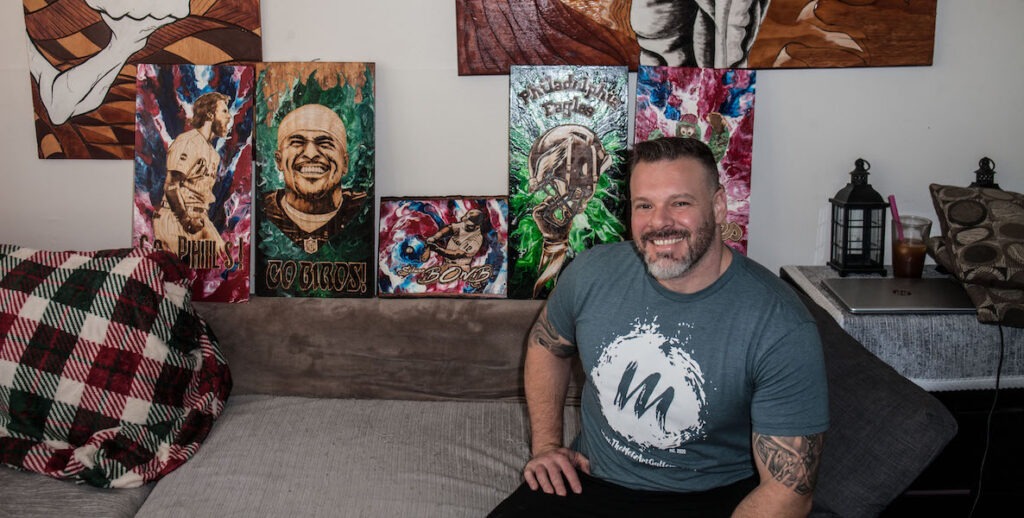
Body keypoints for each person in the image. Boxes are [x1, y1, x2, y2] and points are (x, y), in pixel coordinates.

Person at [489, 137, 828, 517]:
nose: (659, 222)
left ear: (718, 206)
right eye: (644, 205)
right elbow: (547, 345)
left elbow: (789, 491)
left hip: (710, 495)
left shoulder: (780, 324)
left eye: (680, 203)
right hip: (590, 480)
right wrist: (547, 447)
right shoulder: (590, 273)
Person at [262, 104, 368, 254]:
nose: (311, 154)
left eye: (325, 143)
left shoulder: (362, 211)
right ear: (279, 160)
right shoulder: (262, 211)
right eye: (297, 142)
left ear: (345, 163)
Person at [153, 91, 231, 268]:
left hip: (200, 217)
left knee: (222, 261)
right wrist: (186, 220)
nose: (229, 116)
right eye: (224, 111)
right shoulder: (188, 142)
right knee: (179, 273)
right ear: (210, 115)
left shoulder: (212, 154)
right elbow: (171, 186)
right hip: (177, 217)